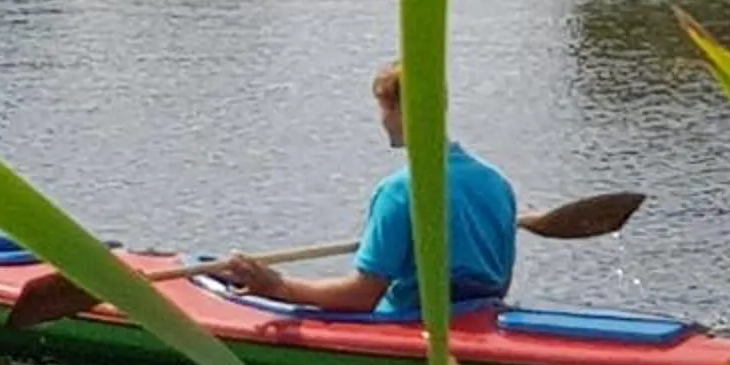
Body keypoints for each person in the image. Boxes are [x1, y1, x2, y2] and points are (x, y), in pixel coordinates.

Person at [219, 61, 517, 315]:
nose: (382, 121)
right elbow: (500, 282)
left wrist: (276, 286)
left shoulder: (401, 191)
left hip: (410, 324)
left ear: (397, 109)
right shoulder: (497, 183)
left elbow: (362, 296)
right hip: (477, 319)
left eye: (383, 109)